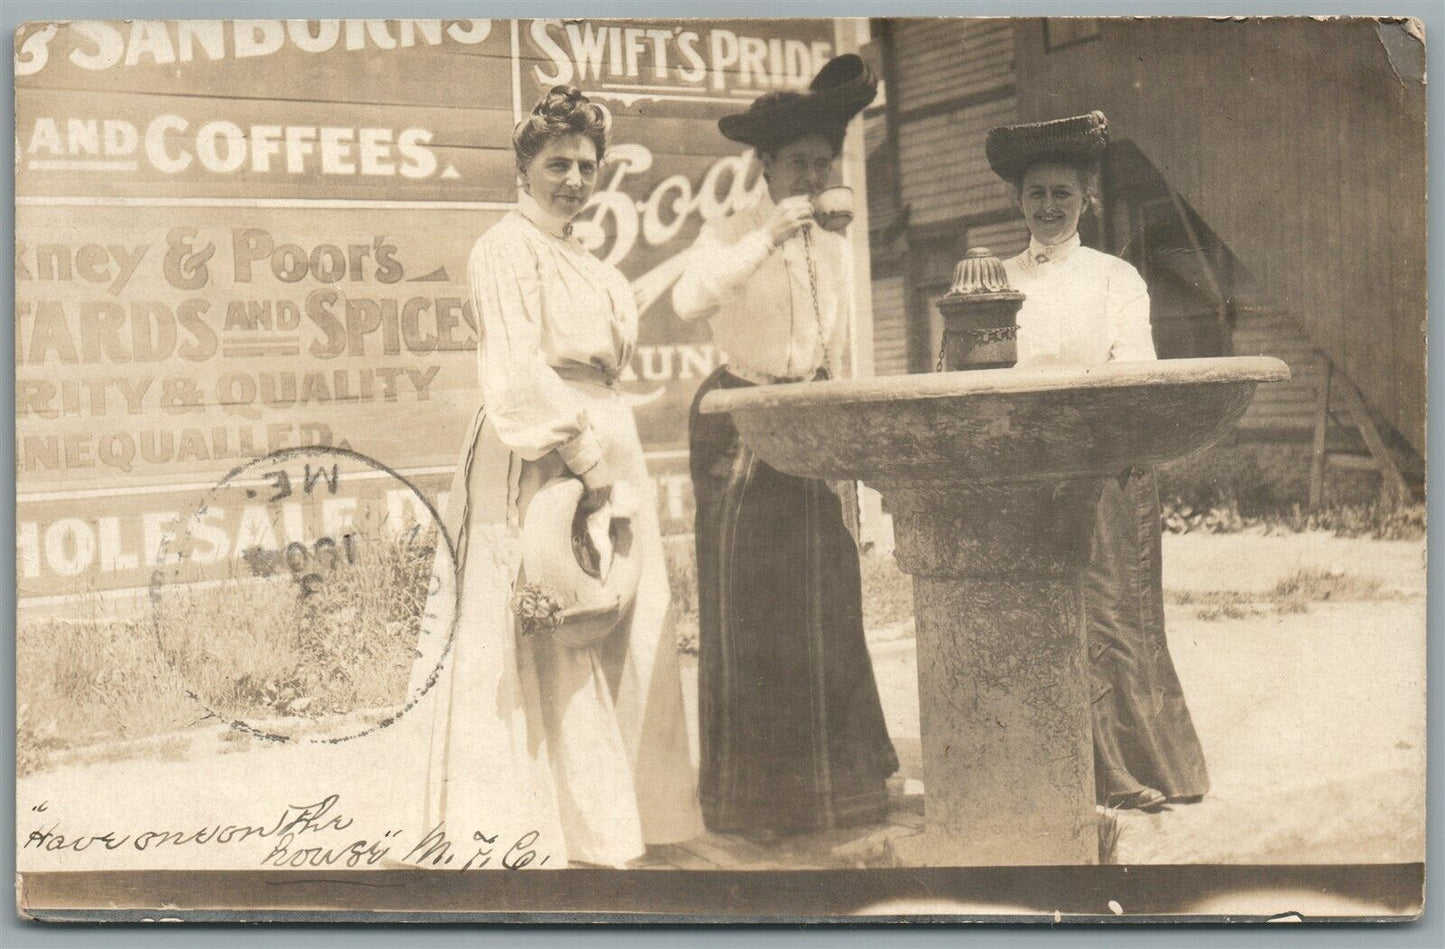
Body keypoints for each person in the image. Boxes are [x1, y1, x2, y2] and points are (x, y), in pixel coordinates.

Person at [410, 85, 702, 867]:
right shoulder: (503, 248)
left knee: (624, 611)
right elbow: (515, 370)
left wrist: (611, 460)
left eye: (585, 165)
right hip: (540, 449)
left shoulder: (591, 262)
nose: (573, 179)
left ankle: (627, 820)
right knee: (548, 614)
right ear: (524, 167)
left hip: (607, 436)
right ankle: (532, 825)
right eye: (557, 163)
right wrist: (587, 465)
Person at [673, 54, 899, 837]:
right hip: (737, 419)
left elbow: (835, 344)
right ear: (763, 166)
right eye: (796, 164)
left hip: (811, 416)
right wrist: (768, 235)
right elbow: (688, 299)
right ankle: (758, 802)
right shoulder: (732, 230)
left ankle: (840, 791)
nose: (809, 176)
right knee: (751, 607)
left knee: (826, 596)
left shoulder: (833, 241)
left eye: (820, 164)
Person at [984, 110, 1210, 811]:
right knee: (1031, 611)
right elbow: (980, 365)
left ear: (1086, 198)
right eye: (1034, 194)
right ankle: (1051, 762)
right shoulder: (992, 277)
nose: (1047, 207)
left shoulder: (1114, 278)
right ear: (1016, 201)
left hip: (1106, 456)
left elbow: (1133, 363)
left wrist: (1089, 423)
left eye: (1060, 193)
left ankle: (1129, 765)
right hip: (1026, 463)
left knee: (1110, 613)